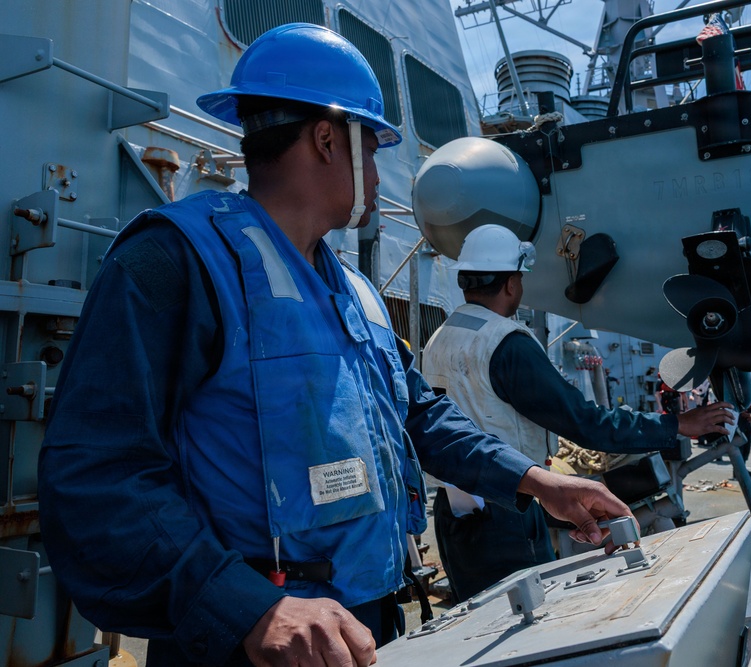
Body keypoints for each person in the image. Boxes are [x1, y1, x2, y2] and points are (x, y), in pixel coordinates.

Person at [36, 24, 633, 667]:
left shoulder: (355, 290)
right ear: (328, 138)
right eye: (371, 149)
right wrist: (245, 604)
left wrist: (538, 482)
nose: (378, 174)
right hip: (252, 640)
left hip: (366, 626)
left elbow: (417, 414)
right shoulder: (173, 262)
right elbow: (96, 473)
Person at [421, 224, 735, 602]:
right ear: (510, 284)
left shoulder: (440, 337)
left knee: (478, 623)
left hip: (454, 516)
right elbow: (586, 423)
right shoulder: (504, 343)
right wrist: (677, 424)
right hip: (506, 511)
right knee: (525, 627)